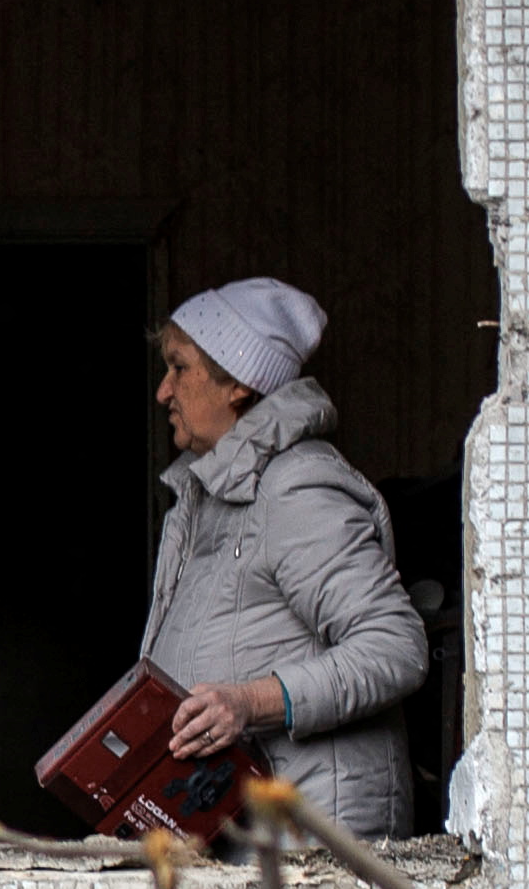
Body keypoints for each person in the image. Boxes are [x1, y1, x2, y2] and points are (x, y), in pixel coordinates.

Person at [143, 276, 425, 833]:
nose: (163, 391)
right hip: (253, 837)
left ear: (238, 385)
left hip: (316, 841)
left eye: (179, 367)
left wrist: (250, 702)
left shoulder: (295, 489)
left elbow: (397, 647)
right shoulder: (208, 497)